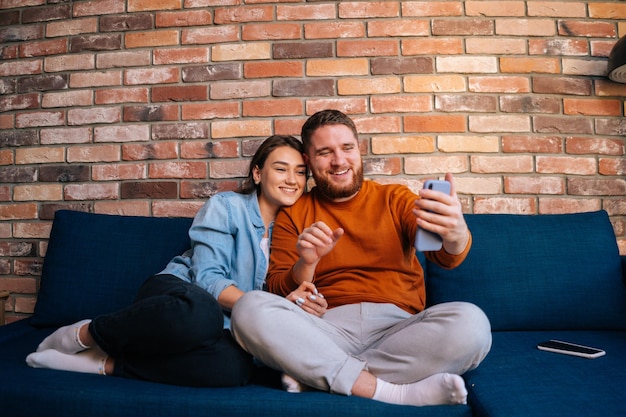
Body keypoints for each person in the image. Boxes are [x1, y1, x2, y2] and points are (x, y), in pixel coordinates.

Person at [231, 110, 492, 406]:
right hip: (325, 329)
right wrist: (307, 262)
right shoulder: (294, 212)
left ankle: (318, 372)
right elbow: (278, 290)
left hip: (400, 332)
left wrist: (455, 233)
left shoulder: (395, 199)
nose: (339, 161)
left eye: (346, 148)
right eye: (325, 152)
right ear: (308, 160)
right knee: (248, 307)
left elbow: (444, 257)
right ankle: (394, 392)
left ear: (359, 149)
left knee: (473, 324)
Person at [26, 135, 314, 387]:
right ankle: (88, 334)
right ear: (257, 173)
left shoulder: (295, 231)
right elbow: (208, 280)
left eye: (300, 172)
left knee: (235, 367)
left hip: (227, 324)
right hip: (180, 295)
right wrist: (264, 310)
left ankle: (103, 363)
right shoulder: (226, 206)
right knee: (201, 314)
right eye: (281, 169)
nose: (292, 180)